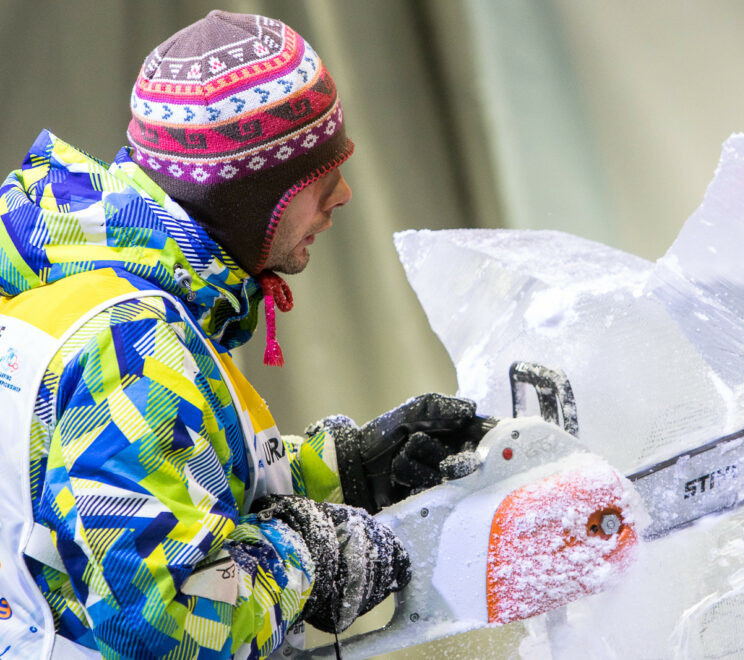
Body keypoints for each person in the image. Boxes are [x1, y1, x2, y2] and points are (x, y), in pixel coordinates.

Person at [0, 10, 485, 660]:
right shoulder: (129, 341)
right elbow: (167, 621)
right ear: (253, 194)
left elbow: (169, 478)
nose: (342, 195)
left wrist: (345, 469)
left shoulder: (116, 292)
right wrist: (305, 554)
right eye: (317, 177)